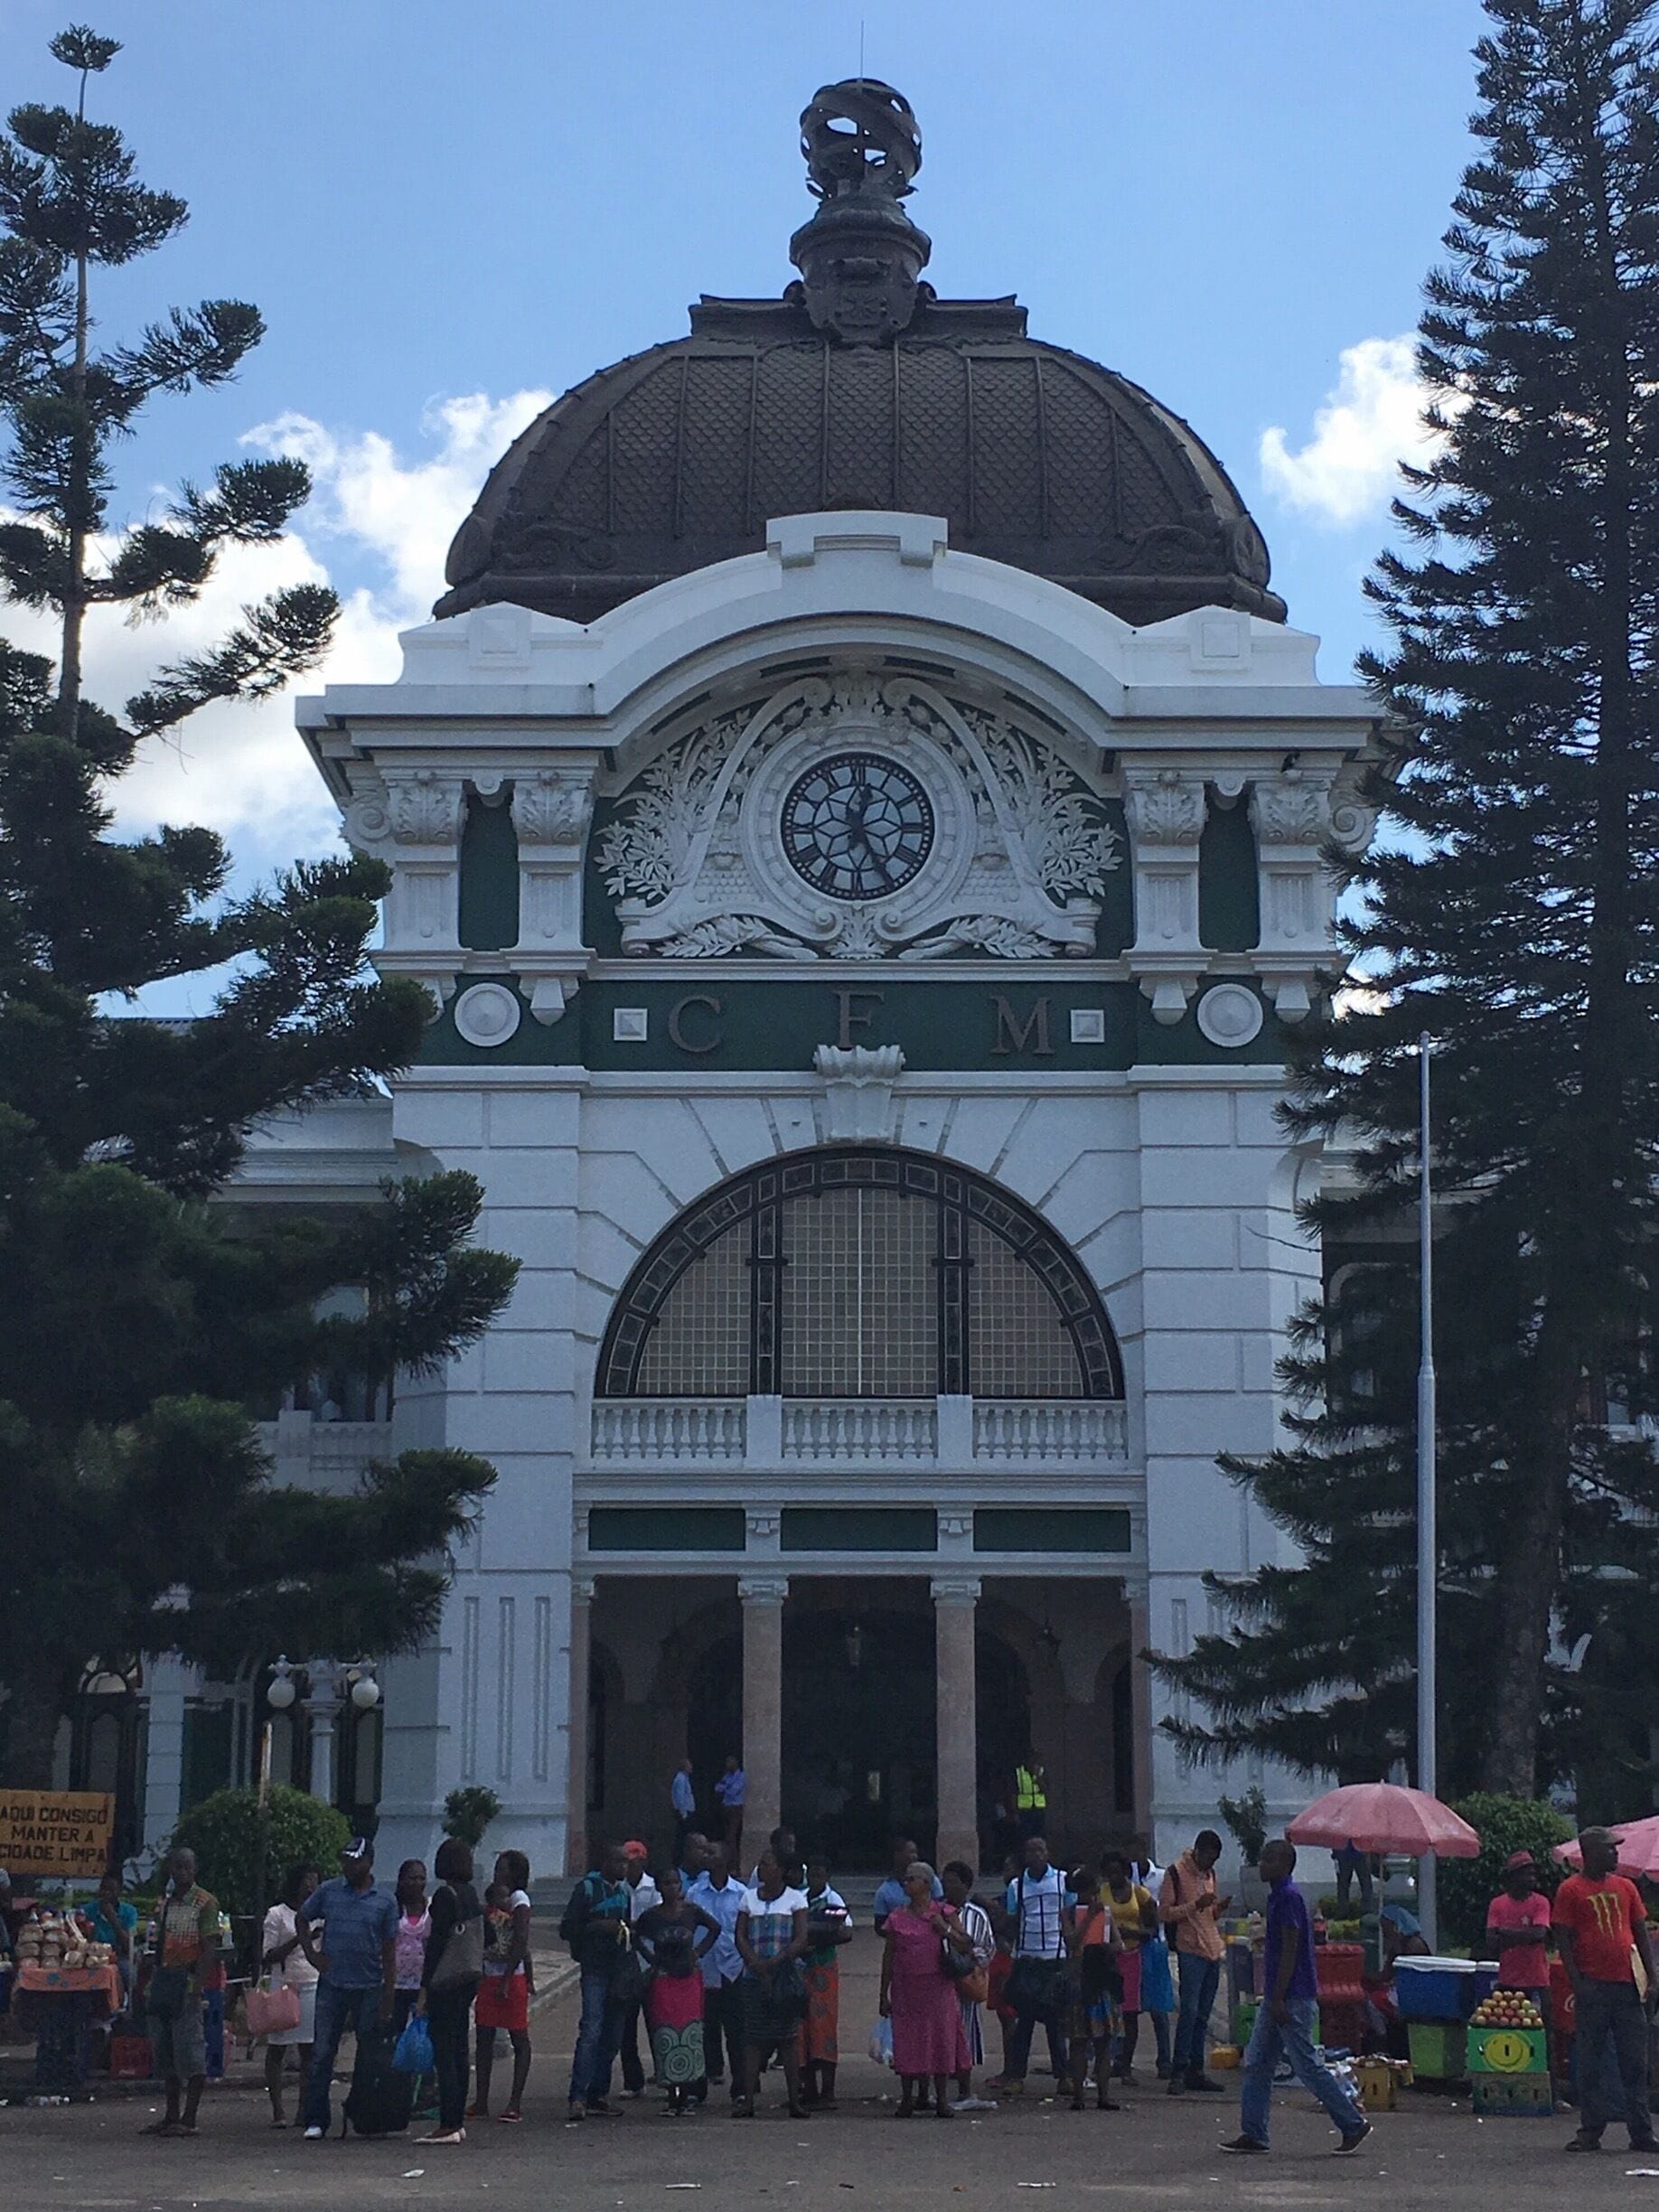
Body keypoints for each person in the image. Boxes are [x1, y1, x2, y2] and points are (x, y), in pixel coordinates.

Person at [1223, 1838, 1370, 2156]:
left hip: (1292, 1995)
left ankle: (1352, 2122)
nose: (1262, 1865)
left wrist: (1277, 1997)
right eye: (1263, 1859)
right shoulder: (1278, 1896)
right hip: (1280, 1993)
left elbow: (1290, 1948)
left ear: (1285, 1864)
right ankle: (1254, 2132)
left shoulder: (1288, 1897)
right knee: (1258, 2062)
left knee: (1306, 2065)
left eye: (1269, 1860)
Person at [1552, 1825, 1659, 2155]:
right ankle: (1591, 2130)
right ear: (1590, 1853)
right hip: (1593, 1987)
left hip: (1628, 1986)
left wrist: (1652, 1976)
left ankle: (1641, 2132)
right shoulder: (1571, 1890)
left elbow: (1640, 1933)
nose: (1615, 1853)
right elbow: (1563, 1939)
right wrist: (1577, 1982)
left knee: (1635, 2062)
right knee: (1591, 2061)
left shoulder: (1626, 1887)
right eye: (1609, 1848)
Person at [297, 1836, 398, 2141]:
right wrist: (312, 1955)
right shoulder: (329, 1891)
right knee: (322, 2052)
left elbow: (389, 1951)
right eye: (346, 1860)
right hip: (333, 1984)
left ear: (369, 1863)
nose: (350, 1866)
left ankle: (362, 2113)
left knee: (367, 2055)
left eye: (356, 1861)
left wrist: (388, 1994)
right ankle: (316, 2118)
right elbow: (302, 1918)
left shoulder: (385, 1900)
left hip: (369, 1985)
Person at [881, 1859, 972, 2119]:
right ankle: (908, 2098)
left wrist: (946, 1931)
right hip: (906, 1990)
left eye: (912, 1879)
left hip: (938, 1988)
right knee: (907, 2042)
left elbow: (966, 1944)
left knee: (940, 2040)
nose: (906, 1883)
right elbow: (889, 1957)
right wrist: (883, 1993)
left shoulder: (943, 1913)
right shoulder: (896, 1918)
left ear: (927, 1884)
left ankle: (941, 2099)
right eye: (906, 1879)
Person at [138, 1845, 218, 2138]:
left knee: (191, 2052)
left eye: (187, 1866)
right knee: (166, 2052)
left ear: (194, 1869)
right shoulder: (168, 1903)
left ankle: (189, 2117)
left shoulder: (205, 1903)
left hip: (187, 1983)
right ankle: (171, 2115)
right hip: (165, 1981)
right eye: (177, 1866)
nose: (181, 1871)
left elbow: (209, 1948)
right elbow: (159, 1944)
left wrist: (198, 1987)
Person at [988, 1835, 1074, 2095]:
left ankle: (1064, 2076)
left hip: (1055, 1958)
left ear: (1048, 1853)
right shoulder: (1017, 1886)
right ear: (1025, 1856)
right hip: (1027, 1959)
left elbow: (1071, 1915)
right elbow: (1013, 1919)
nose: (1036, 1854)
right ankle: (1017, 2076)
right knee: (1024, 2022)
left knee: (1056, 2022)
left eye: (1040, 1850)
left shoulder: (1063, 1880)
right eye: (1031, 1851)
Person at [413, 1836, 483, 2146]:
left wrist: (425, 1987)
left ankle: (448, 2122)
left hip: (445, 1979)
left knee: (444, 2051)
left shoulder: (445, 1895)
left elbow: (437, 1945)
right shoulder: (471, 1894)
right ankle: (457, 2120)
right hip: (468, 1977)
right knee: (459, 2049)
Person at [636, 1864, 721, 2114]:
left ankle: (687, 2094)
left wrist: (698, 1952)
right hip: (664, 1981)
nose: (672, 1888)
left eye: (675, 1883)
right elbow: (636, 1936)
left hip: (688, 1980)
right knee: (666, 2035)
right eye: (667, 1883)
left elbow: (715, 1928)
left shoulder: (691, 1912)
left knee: (690, 2034)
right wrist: (652, 1960)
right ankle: (671, 2095)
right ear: (659, 1887)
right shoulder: (652, 1916)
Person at [732, 1845, 810, 2118]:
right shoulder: (748, 1898)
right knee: (753, 2039)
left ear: (782, 1870)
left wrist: (775, 1962)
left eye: (767, 1864)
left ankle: (794, 2100)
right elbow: (740, 1935)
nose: (761, 1869)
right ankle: (748, 2101)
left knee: (787, 2039)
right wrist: (755, 1962)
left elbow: (801, 1938)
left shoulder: (795, 1899)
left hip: (784, 1979)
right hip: (753, 1977)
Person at [563, 1842, 632, 2122]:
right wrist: (598, 1927)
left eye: (626, 1862)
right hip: (594, 1969)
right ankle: (578, 2095)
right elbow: (567, 1928)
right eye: (619, 1862)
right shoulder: (587, 1889)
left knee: (613, 2036)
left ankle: (598, 2094)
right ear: (605, 1862)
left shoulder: (624, 1893)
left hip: (618, 1970)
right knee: (591, 2030)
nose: (623, 1867)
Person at [1160, 1827, 1228, 2095]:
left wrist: (1217, 1909)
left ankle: (1195, 2070)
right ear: (1197, 1851)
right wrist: (1196, 1905)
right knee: (1188, 2012)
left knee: (1202, 2015)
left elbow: (1209, 1914)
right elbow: (1165, 1913)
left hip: (1211, 1948)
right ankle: (1179, 2069)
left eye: (1214, 1860)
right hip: (1189, 1949)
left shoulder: (1210, 1874)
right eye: (1208, 1857)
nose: (1210, 1863)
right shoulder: (1175, 1873)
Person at [473, 1849, 534, 2123]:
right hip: (490, 1974)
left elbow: (520, 1942)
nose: (497, 1872)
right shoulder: (494, 1899)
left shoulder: (519, 1900)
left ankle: (514, 2103)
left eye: (502, 1868)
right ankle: (481, 2101)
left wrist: (507, 1979)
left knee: (519, 2037)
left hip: (511, 1978)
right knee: (483, 2038)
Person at [260, 1861, 321, 2126]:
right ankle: (278, 2110)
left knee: (309, 2050)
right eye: (306, 1880)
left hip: (312, 1983)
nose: (310, 1886)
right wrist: (301, 1937)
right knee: (277, 2048)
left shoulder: (321, 1915)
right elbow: (269, 1955)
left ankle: (303, 2109)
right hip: (284, 1985)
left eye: (315, 1881)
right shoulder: (277, 1914)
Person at [688, 1842, 746, 2101]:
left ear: (726, 1858)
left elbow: (744, 1931)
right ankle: (700, 2085)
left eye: (711, 1852)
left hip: (733, 1967)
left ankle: (741, 2088)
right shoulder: (695, 1893)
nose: (706, 1855)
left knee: (736, 2031)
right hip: (705, 1968)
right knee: (703, 2028)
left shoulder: (741, 1894)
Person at [1064, 1866, 1123, 2112]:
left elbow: (1119, 1944)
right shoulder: (1068, 1913)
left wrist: (1106, 1946)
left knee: (1104, 2042)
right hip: (1080, 1980)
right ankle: (1078, 2096)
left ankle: (1103, 2095)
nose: (1094, 1896)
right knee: (1078, 2041)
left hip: (1102, 1980)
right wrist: (1089, 1918)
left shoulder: (1105, 1914)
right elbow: (1071, 1941)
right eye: (1091, 1891)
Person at [941, 1861, 997, 2111]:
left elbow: (987, 1948)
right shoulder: (936, 1912)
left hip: (964, 1984)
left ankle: (965, 2090)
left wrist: (969, 1961)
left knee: (966, 2036)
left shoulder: (977, 1915)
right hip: (940, 1982)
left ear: (966, 1885)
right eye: (945, 1881)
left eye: (953, 1882)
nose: (948, 1887)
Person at [801, 1855, 854, 2109]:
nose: (815, 1879)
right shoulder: (800, 1897)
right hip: (803, 1969)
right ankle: (809, 2089)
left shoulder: (834, 1899)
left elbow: (846, 1932)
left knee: (824, 2028)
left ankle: (828, 2091)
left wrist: (816, 1938)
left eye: (820, 1875)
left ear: (828, 1876)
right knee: (803, 2029)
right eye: (812, 1874)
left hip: (823, 1970)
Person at [1100, 1850, 1158, 2083]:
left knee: (1130, 2014)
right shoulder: (1101, 1893)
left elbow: (1152, 1928)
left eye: (1118, 1872)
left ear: (1126, 1871)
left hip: (1132, 1956)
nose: (1113, 1877)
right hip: (1106, 1959)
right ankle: (1107, 2062)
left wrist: (1132, 1933)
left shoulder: (1140, 1893)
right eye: (1109, 1873)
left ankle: (1126, 2066)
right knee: (1105, 2012)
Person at [389, 1860, 436, 2120]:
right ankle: (397, 2094)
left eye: (421, 1878)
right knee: (398, 2039)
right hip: (395, 1985)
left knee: (424, 2041)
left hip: (422, 1985)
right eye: (412, 1878)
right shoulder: (394, 1909)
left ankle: (425, 2096)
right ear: (401, 1880)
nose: (417, 1883)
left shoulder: (432, 1910)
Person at [1485, 1850, 1551, 2024]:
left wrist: (1505, 1932)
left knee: (1541, 2027)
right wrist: (1526, 1936)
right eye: (1527, 1873)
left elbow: (1539, 1934)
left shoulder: (1541, 1902)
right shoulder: (1498, 1904)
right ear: (1514, 1876)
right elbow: (1492, 1942)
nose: (1532, 1877)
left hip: (1537, 1979)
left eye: (1533, 1873)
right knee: (1507, 2027)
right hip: (1508, 1981)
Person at [619, 1840, 661, 2095]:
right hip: (625, 1964)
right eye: (626, 1862)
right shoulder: (619, 1888)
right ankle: (633, 2081)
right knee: (627, 2026)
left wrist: (633, 1925)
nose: (628, 1867)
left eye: (633, 1862)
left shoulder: (653, 1888)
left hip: (650, 1964)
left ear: (643, 1862)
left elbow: (656, 1922)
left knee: (657, 2022)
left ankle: (665, 2073)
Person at [89, 1871, 138, 2003]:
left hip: (119, 1955)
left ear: (119, 1892)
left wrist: (113, 1919)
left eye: (111, 1890)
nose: (106, 1893)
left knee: (129, 1975)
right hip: (92, 1956)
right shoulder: (88, 1910)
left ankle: (129, 2007)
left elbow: (129, 1945)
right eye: (103, 1889)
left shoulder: (129, 1912)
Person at [874, 1837, 942, 1931]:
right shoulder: (884, 1892)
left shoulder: (931, 1880)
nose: (915, 1856)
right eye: (911, 1852)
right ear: (898, 1855)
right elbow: (880, 1926)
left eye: (916, 1852)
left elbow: (941, 1908)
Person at [716, 1755, 747, 1862]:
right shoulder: (727, 1776)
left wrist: (725, 1787)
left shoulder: (741, 1776)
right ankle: (727, 1860)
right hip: (725, 1807)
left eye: (729, 1762)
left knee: (731, 1836)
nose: (727, 1765)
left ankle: (734, 1862)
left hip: (735, 1808)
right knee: (726, 1836)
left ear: (735, 1763)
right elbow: (717, 1788)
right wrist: (727, 1787)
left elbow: (734, 1791)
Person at [1332, 1842, 1374, 1917]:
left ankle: (1366, 1910)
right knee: (1344, 1884)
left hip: (1358, 1852)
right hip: (1346, 1852)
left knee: (1365, 1883)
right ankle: (1343, 1911)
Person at [671, 1759, 698, 1863]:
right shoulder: (681, 1779)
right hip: (685, 1813)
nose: (691, 1767)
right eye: (689, 1765)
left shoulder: (685, 1778)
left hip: (686, 1812)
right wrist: (684, 1814)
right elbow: (680, 1797)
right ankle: (679, 1859)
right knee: (683, 1837)